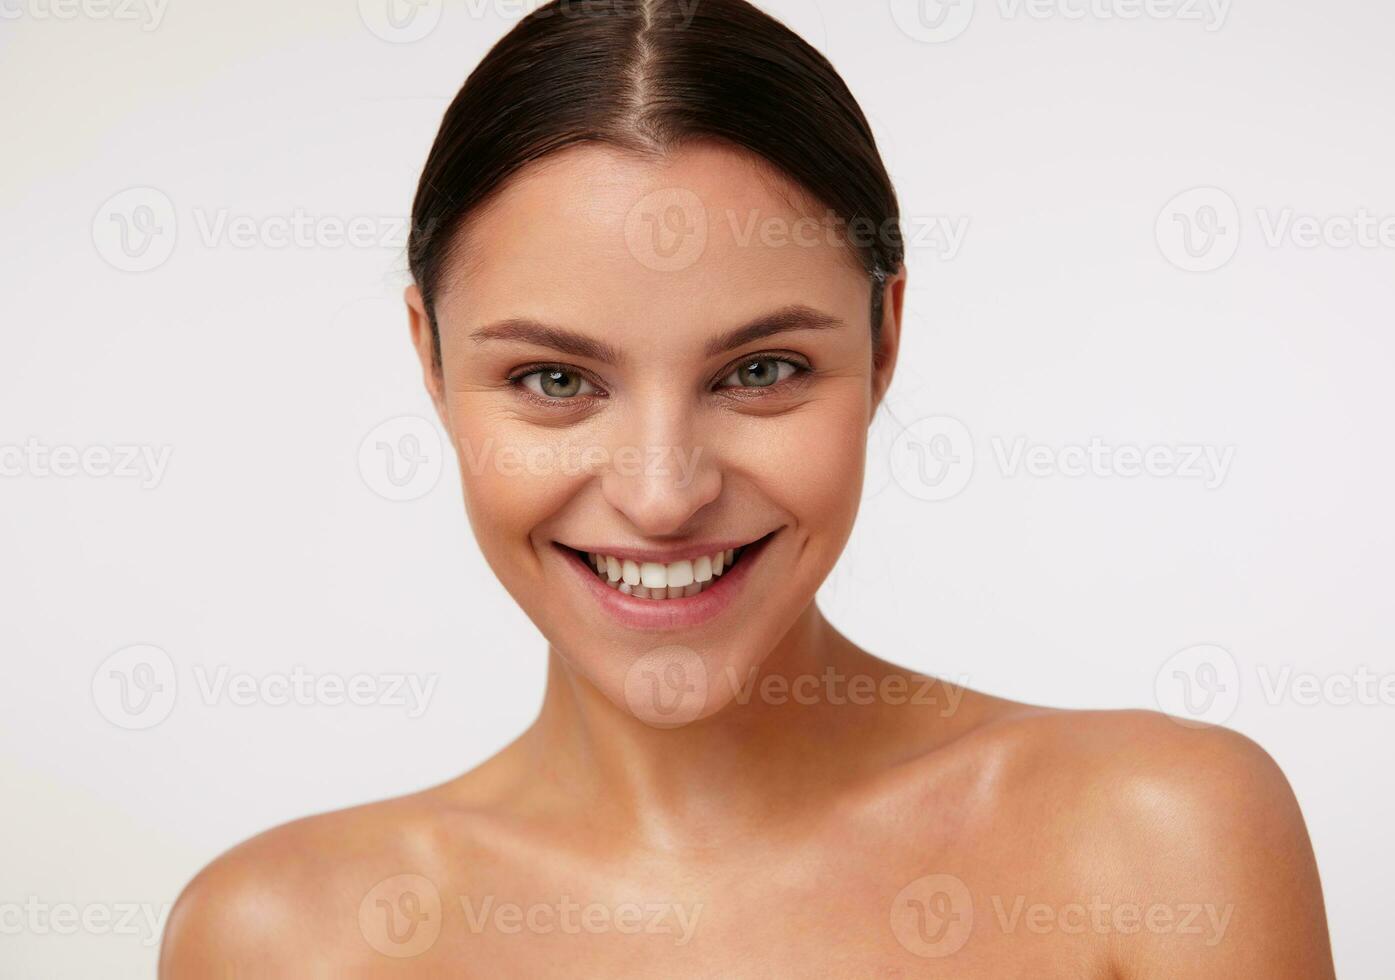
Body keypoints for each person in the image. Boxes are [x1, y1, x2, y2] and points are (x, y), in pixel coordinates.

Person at [161, 0, 1336, 974]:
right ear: (427, 356)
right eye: (555, 377)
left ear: (885, 336)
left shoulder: (1158, 836)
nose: (664, 493)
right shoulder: (279, 937)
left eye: (761, 371)